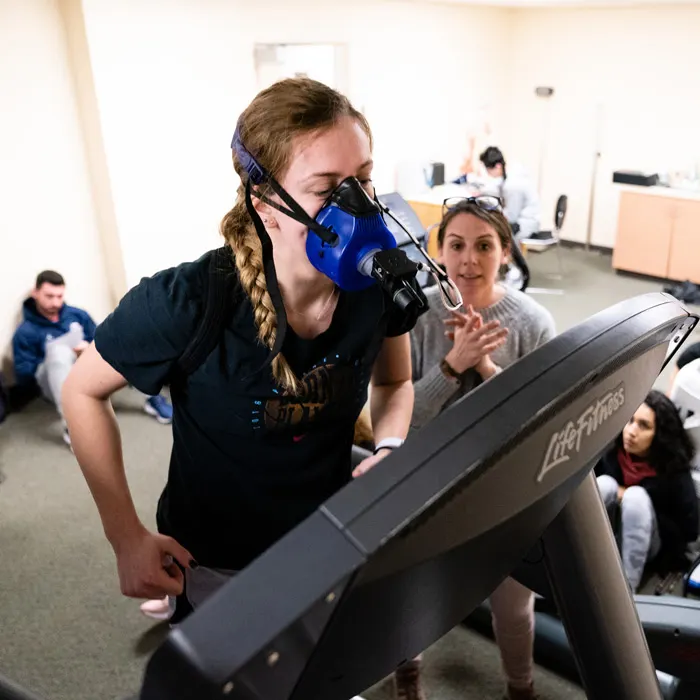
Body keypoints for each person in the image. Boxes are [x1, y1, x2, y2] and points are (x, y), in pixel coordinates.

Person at [62, 77, 415, 624]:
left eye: (364, 180)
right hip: (216, 562)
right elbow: (81, 390)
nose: (360, 208)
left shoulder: (376, 286)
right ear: (266, 204)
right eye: (327, 189)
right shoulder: (191, 299)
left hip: (328, 539)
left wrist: (389, 446)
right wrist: (125, 536)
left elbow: (394, 383)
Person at [400, 197, 555, 700]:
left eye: (484, 246)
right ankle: (407, 674)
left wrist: (486, 369)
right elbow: (404, 423)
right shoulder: (417, 317)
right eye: (456, 245)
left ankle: (521, 687)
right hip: (430, 482)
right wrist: (451, 366)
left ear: (506, 252)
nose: (469, 260)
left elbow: (541, 421)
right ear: (438, 251)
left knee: (513, 605)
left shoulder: (533, 321)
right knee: (408, 592)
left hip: (507, 484)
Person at [11, 270, 172, 447]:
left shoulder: (78, 315)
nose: (55, 302)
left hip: (87, 372)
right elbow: (24, 376)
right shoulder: (25, 332)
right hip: (54, 383)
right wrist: (51, 355)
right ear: (36, 293)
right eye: (49, 296)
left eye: (59, 296)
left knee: (120, 340)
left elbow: (103, 340)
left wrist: (86, 350)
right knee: (59, 353)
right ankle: (74, 427)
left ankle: (151, 398)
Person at [595, 391, 699, 592]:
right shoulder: (612, 452)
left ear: (659, 434)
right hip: (608, 536)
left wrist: (642, 504)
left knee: (636, 498)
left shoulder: (673, 470)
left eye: (644, 426)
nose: (631, 431)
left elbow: (689, 531)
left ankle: (625, 590)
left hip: (649, 547)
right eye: (630, 420)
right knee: (605, 484)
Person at [478, 147, 541, 242]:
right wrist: (480, 192)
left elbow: (512, 217)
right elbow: (497, 186)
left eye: (488, 169)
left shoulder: (513, 185)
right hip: (523, 218)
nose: (488, 173)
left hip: (525, 223)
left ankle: (512, 256)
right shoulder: (509, 174)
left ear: (498, 166)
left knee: (493, 232)